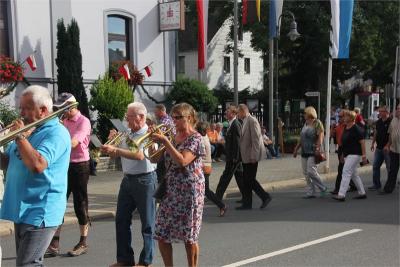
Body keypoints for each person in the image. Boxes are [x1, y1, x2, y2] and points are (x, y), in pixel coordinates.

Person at [0, 85, 71, 266]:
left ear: (43, 110)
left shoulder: (57, 133)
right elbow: (8, 162)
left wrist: (20, 137)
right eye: (20, 107)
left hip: (41, 210)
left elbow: (37, 165)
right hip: (22, 208)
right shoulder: (28, 131)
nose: (21, 113)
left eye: (26, 108)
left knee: (28, 264)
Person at [101, 102, 157, 267]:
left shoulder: (150, 133)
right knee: (121, 219)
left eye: (129, 116)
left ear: (141, 117)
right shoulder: (127, 133)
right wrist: (111, 144)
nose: (126, 119)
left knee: (148, 223)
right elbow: (114, 157)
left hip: (145, 179)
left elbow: (140, 155)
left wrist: (116, 150)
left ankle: (146, 261)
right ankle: (125, 259)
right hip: (128, 179)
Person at [151, 103, 205, 267]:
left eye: (178, 117)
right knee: (161, 232)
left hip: (190, 191)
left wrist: (166, 141)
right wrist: (155, 140)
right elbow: (154, 159)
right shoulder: (172, 136)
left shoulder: (196, 138)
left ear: (189, 118)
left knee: (189, 236)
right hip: (171, 189)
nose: (174, 120)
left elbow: (183, 161)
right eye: (173, 117)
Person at [44, 93, 92, 257]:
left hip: (80, 166)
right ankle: (55, 242)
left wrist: (56, 144)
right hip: (64, 165)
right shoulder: (62, 121)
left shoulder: (83, 121)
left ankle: (83, 242)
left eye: (63, 107)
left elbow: (74, 143)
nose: (61, 110)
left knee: (80, 204)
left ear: (72, 106)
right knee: (58, 203)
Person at [236, 104, 271, 210]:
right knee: (247, 180)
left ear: (243, 111)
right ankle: (247, 204)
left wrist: (253, 156)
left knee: (249, 179)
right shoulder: (245, 120)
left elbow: (256, 140)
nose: (237, 114)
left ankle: (265, 196)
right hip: (246, 155)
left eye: (238, 112)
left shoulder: (252, 120)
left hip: (251, 156)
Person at [332, 110, 368, 201]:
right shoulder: (346, 128)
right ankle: (362, 192)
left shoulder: (356, 128)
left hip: (355, 154)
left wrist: (364, 156)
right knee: (354, 174)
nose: (344, 118)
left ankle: (341, 194)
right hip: (347, 154)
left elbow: (362, 142)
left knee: (346, 172)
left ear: (351, 118)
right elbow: (345, 143)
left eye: (346, 116)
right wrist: (342, 155)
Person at [293, 106, 328, 198]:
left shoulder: (317, 123)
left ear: (309, 113)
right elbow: (301, 138)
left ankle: (323, 187)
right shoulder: (305, 123)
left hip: (313, 151)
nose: (303, 115)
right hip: (304, 151)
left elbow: (321, 136)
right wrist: (296, 149)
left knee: (311, 171)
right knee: (306, 173)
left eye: (305, 113)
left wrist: (317, 148)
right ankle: (311, 192)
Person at [196, 121, 227, 217]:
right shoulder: (204, 137)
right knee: (204, 190)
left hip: (203, 166)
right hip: (206, 166)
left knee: (206, 191)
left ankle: (221, 205)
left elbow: (199, 154)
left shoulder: (200, 139)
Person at [215, 105, 245, 202]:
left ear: (233, 113)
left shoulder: (235, 124)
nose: (226, 113)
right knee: (240, 177)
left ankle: (217, 197)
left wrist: (235, 158)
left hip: (233, 157)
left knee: (225, 177)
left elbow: (237, 143)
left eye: (228, 111)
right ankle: (247, 196)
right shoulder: (231, 124)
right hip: (234, 156)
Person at [330, 109, 357, 195]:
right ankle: (353, 185)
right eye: (339, 116)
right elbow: (331, 135)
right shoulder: (339, 126)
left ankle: (338, 189)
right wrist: (332, 128)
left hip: (346, 149)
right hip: (341, 148)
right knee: (348, 169)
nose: (339, 118)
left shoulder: (348, 127)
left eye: (341, 116)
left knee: (341, 169)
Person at [369, 106, 391, 191]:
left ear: (386, 112)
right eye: (379, 111)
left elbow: (391, 135)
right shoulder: (378, 122)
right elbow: (376, 133)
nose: (379, 113)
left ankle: (390, 184)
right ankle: (376, 184)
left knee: (389, 167)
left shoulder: (390, 121)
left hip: (387, 148)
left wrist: (388, 145)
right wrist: (372, 143)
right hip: (379, 148)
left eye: (381, 111)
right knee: (375, 166)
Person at [154, 104, 176, 184]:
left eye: (156, 112)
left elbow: (160, 135)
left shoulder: (165, 120)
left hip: (166, 148)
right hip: (166, 148)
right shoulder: (164, 120)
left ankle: (161, 189)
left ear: (161, 111)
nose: (155, 114)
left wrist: (153, 132)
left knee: (161, 169)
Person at [382, 104, 400, 194]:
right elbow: (390, 134)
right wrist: (387, 145)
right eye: (397, 108)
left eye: (399, 109)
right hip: (394, 150)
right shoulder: (393, 120)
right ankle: (388, 189)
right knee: (393, 170)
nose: (397, 110)